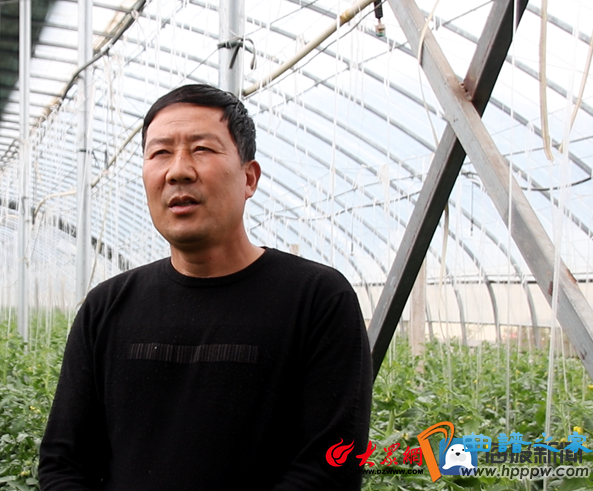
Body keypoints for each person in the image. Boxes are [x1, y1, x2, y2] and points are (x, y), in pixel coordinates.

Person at [38, 84, 373, 490]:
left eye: (201, 149)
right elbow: (63, 463)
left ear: (249, 178)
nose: (178, 170)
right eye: (160, 153)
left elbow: (329, 468)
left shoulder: (317, 300)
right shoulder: (107, 307)